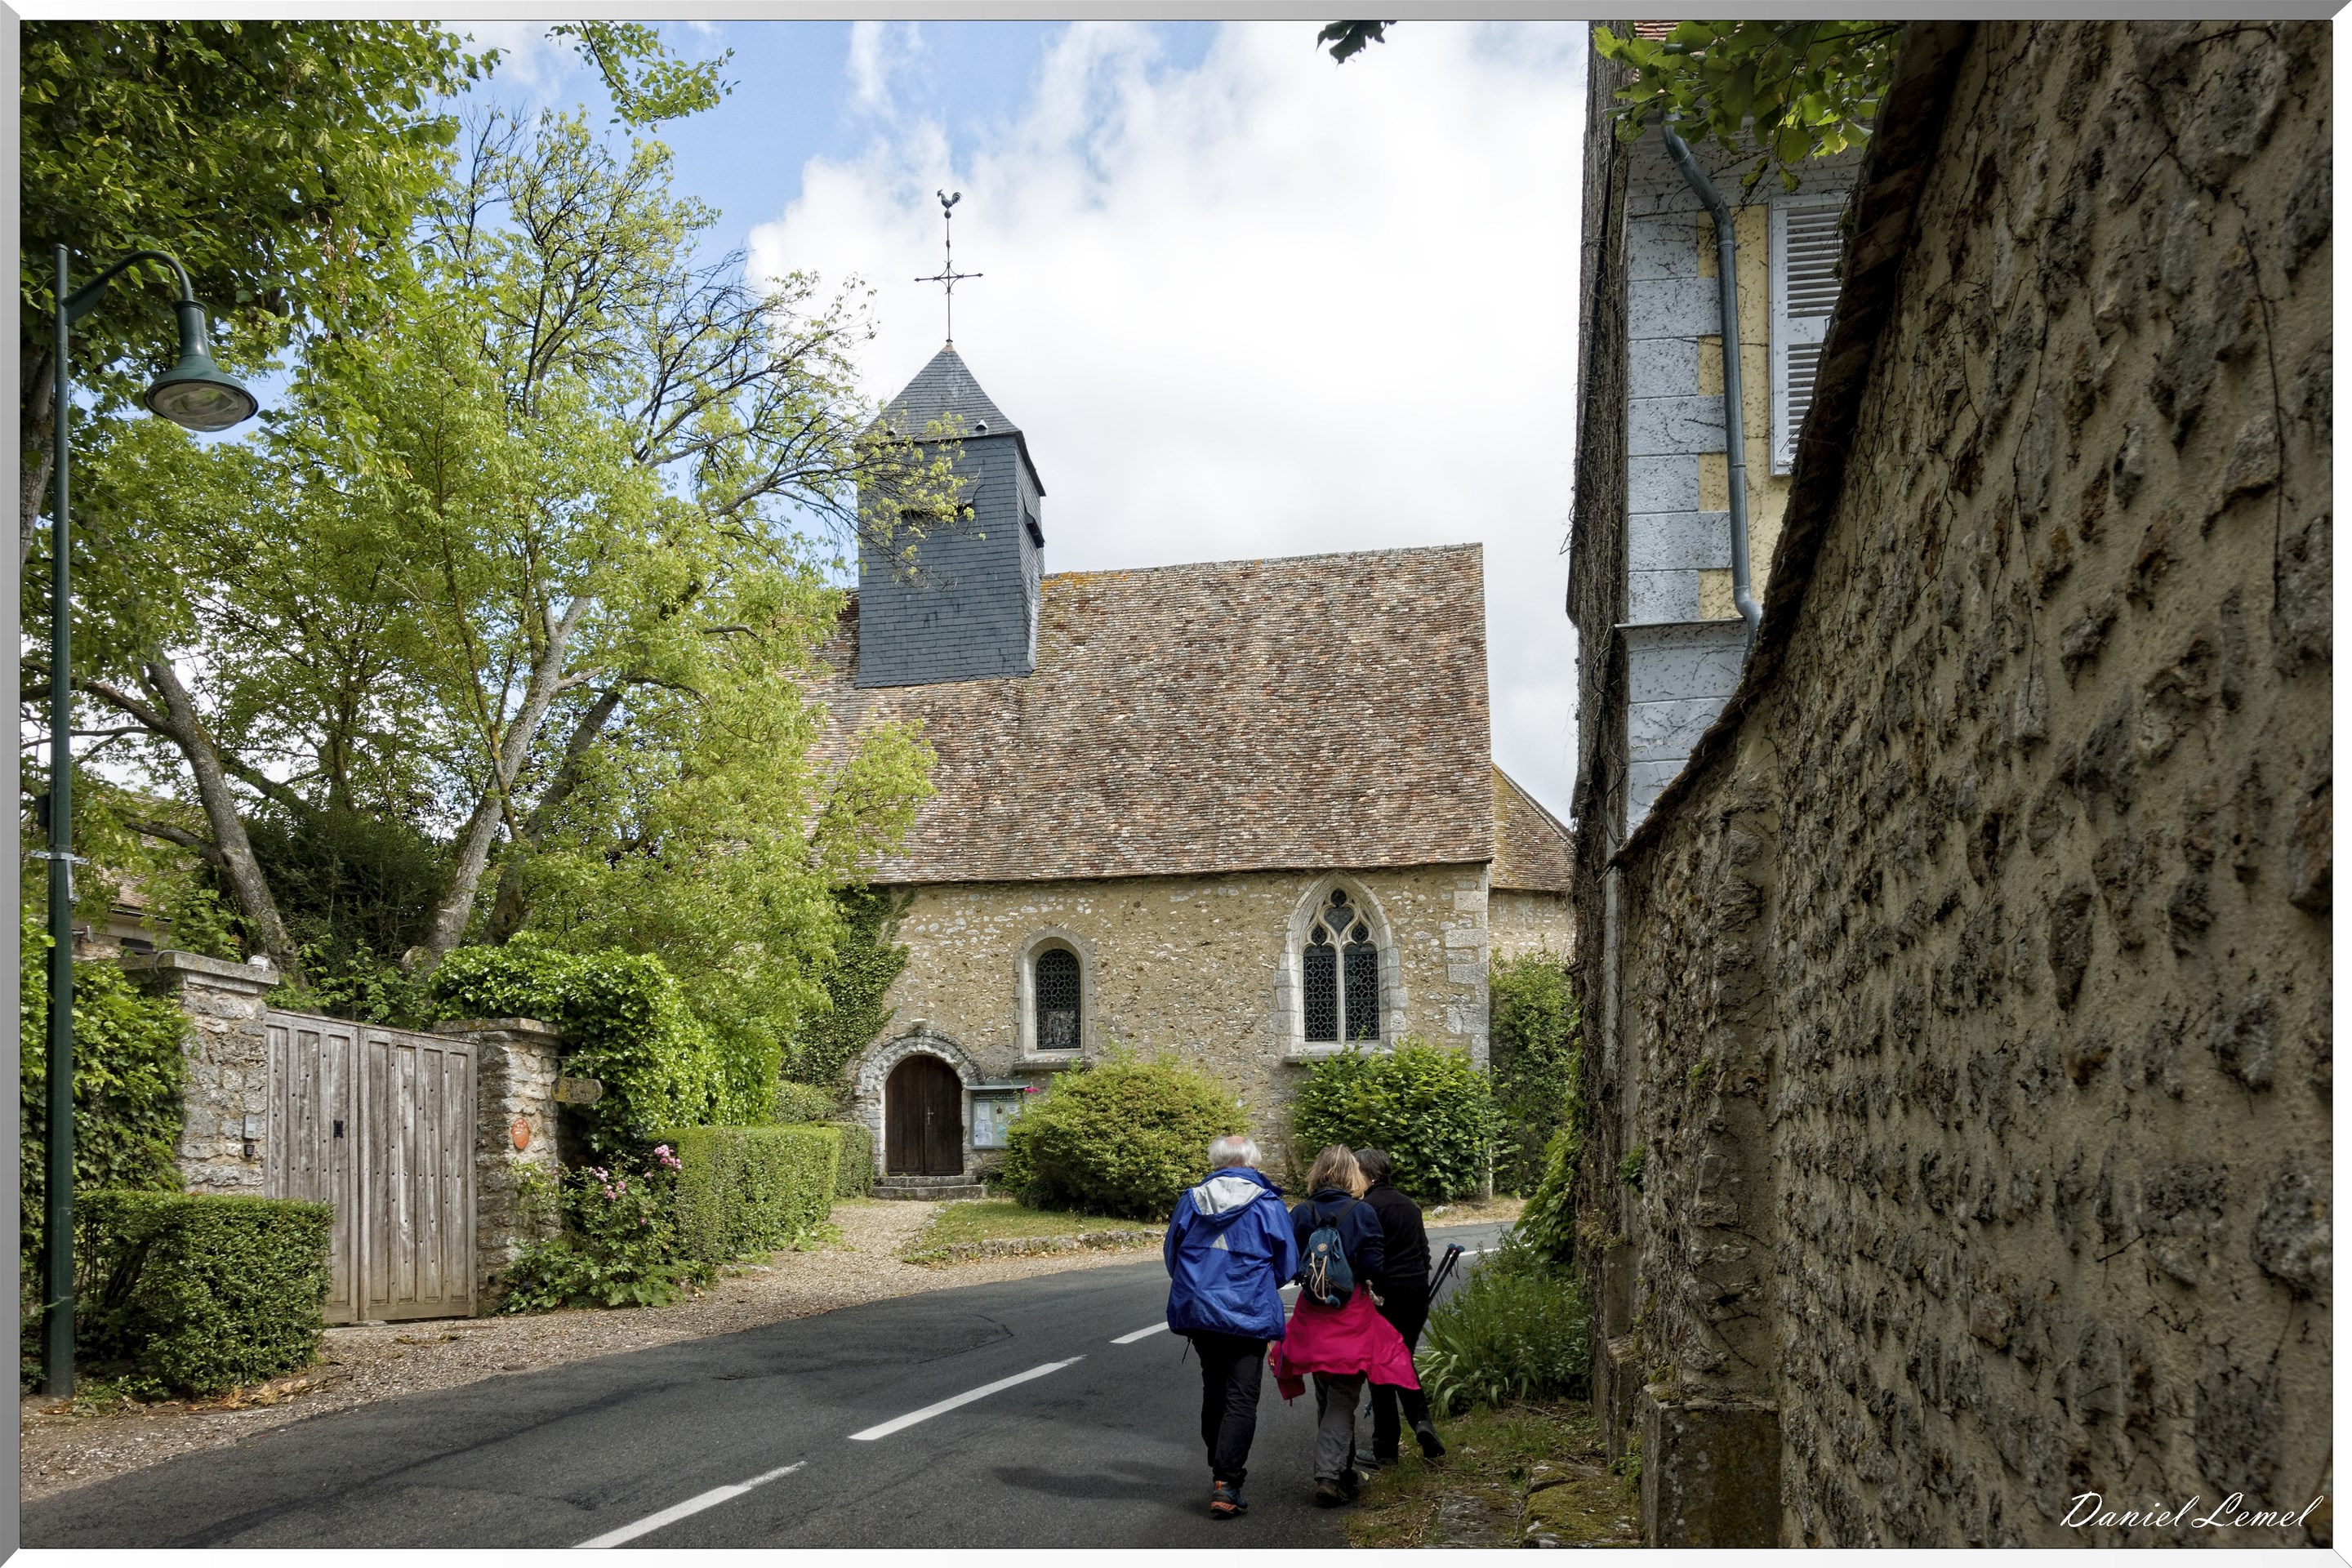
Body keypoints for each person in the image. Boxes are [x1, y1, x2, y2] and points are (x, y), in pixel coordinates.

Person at [1269, 1144, 1423, 1508]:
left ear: (1317, 1172)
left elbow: (1291, 1267)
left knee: (1328, 1390)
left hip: (1311, 1315)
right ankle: (1329, 1475)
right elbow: (1373, 1266)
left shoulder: (1301, 1213)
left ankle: (1343, 1468)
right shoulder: (1363, 1212)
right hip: (1350, 1314)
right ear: (1352, 1174)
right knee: (1343, 1397)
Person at [1164, 1133, 1299, 1521]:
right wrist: (1254, 1286)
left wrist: (1199, 1287)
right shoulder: (1269, 1205)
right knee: (1242, 1395)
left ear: (1217, 1161)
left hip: (1200, 1310)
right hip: (1247, 1311)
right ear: (1252, 1162)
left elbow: (1173, 1256)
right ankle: (1227, 1482)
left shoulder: (1191, 1200)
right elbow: (1287, 1263)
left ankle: (1219, 1470)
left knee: (1215, 1389)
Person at [1353, 1147, 1446, 1463]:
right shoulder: (1409, 1205)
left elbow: (1365, 1257)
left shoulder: (1366, 1208)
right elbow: (1423, 1252)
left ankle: (1386, 1450)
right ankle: (1421, 1422)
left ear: (1368, 1174)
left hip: (1384, 1295)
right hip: (1416, 1291)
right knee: (1402, 1359)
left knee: (1379, 1367)